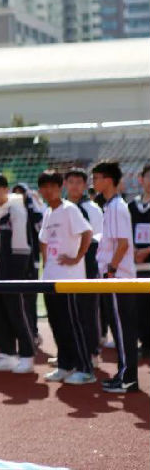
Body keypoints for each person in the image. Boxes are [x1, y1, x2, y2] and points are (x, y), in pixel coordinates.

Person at [36, 170, 95, 385]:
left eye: (52, 186)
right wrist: (47, 262)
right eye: (44, 187)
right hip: (51, 278)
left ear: (60, 188)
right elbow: (43, 239)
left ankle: (85, 369)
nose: (48, 191)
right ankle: (65, 365)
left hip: (70, 279)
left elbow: (87, 232)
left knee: (73, 324)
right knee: (57, 323)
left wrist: (77, 257)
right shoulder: (47, 212)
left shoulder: (70, 209)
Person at [92, 161, 139, 393]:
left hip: (118, 276)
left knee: (122, 328)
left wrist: (110, 270)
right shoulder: (111, 206)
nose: (93, 182)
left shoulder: (117, 207)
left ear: (108, 180)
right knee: (119, 328)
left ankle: (128, 378)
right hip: (114, 275)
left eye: (96, 178)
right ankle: (123, 374)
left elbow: (123, 244)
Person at [0, 173, 36, 373]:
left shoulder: (16, 210)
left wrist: (16, 275)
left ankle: (27, 355)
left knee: (18, 315)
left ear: (6, 189)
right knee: (0, 315)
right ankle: (7, 354)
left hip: (12, 275)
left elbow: (22, 247)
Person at [65, 167, 104, 360]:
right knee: (69, 310)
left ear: (85, 185)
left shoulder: (92, 209)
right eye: (71, 182)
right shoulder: (62, 208)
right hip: (66, 265)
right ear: (65, 185)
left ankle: (92, 353)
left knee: (87, 309)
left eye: (78, 182)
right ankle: (72, 353)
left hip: (88, 263)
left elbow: (98, 239)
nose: (74, 186)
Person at [12, 182, 44, 345]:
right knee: (14, 299)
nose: (19, 196)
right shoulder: (9, 212)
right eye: (15, 193)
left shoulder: (33, 212)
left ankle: (33, 332)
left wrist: (35, 204)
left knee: (30, 299)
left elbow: (41, 228)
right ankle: (18, 334)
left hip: (32, 262)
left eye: (22, 193)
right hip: (13, 263)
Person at [127, 163, 150, 359]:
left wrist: (147, 250)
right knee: (139, 307)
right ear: (141, 179)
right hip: (135, 265)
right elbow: (126, 232)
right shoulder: (131, 206)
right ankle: (145, 343)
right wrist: (134, 250)